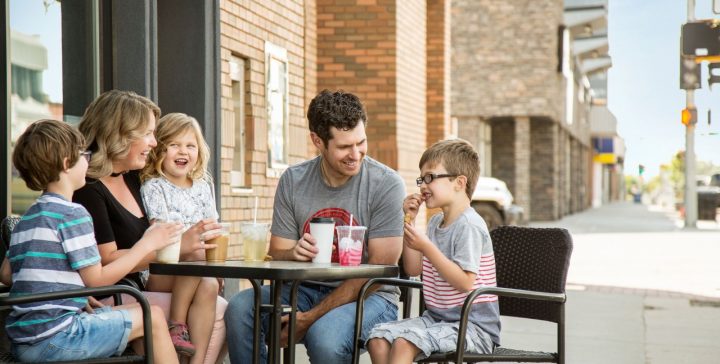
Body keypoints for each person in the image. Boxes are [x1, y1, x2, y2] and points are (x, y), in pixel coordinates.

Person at [224, 90, 406, 363]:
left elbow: (380, 270)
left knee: (325, 338)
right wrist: (294, 252)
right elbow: (278, 252)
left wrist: (308, 319)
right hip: (304, 288)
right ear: (317, 141)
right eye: (344, 147)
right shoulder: (294, 180)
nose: (355, 154)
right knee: (239, 307)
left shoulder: (386, 184)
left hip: (371, 295)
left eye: (361, 142)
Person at [0, 119, 180, 363]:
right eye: (83, 154)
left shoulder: (26, 218)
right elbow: (96, 280)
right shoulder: (73, 214)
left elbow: (7, 275)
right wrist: (146, 245)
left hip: (24, 342)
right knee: (153, 317)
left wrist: (70, 294)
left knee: (132, 315)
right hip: (61, 338)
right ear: (67, 163)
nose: (88, 160)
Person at [72, 90, 227, 364]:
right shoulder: (88, 189)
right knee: (221, 310)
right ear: (119, 134)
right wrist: (177, 248)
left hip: (143, 284)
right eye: (147, 134)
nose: (154, 143)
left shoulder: (134, 179)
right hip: (115, 295)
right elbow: (104, 262)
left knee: (211, 290)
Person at [366, 139, 501, 364]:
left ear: (459, 182)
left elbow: (465, 282)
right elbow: (413, 267)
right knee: (378, 338)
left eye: (430, 177)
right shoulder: (435, 223)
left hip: (473, 328)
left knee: (404, 342)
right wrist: (409, 220)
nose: (422, 186)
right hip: (436, 320)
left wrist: (427, 247)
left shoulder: (469, 225)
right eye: (421, 179)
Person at [139, 112, 220, 360]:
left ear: (199, 152)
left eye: (190, 146)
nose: (182, 152)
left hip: (197, 268)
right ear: (159, 150)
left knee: (211, 283)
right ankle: (176, 324)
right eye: (173, 145)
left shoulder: (204, 186)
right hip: (161, 270)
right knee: (195, 255)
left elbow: (213, 230)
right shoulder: (154, 186)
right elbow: (161, 235)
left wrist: (216, 266)